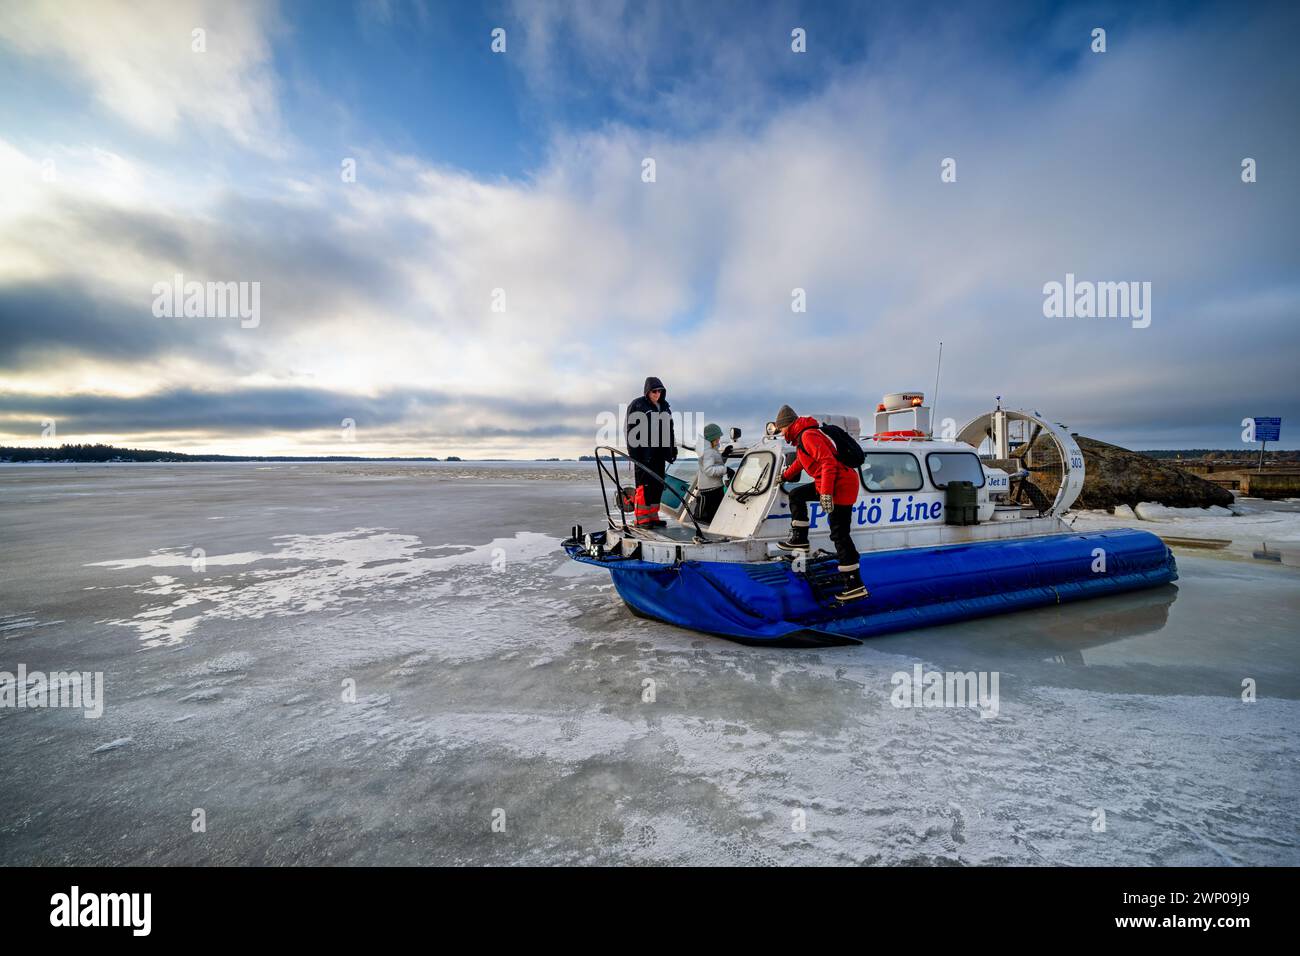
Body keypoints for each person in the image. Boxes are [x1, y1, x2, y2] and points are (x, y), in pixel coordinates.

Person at [772, 404, 869, 602]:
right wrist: (783, 476)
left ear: (788, 425)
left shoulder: (808, 436)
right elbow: (800, 462)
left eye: (781, 429)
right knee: (796, 495)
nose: (781, 433)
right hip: (829, 483)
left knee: (839, 533)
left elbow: (828, 463)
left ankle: (854, 584)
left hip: (840, 485)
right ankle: (800, 539)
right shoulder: (802, 439)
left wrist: (825, 494)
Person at [625, 376, 677, 528]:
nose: (657, 394)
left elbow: (670, 430)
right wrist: (634, 455)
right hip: (643, 454)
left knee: (657, 484)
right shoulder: (638, 405)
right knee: (644, 486)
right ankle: (642, 518)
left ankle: (653, 515)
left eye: (660, 391)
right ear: (647, 391)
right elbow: (631, 431)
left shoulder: (665, 407)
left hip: (660, 453)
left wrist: (672, 450)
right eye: (654, 391)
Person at [694, 423, 728, 524]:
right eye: (717, 437)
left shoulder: (709, 448)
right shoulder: (708, 451)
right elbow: (709, 470)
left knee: (712, 517)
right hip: (712, 489)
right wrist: (726, 470)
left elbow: (715, 463)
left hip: (709, 487)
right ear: (712, 437)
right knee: (715, 517)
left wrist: (724, 456)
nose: (719, 440)